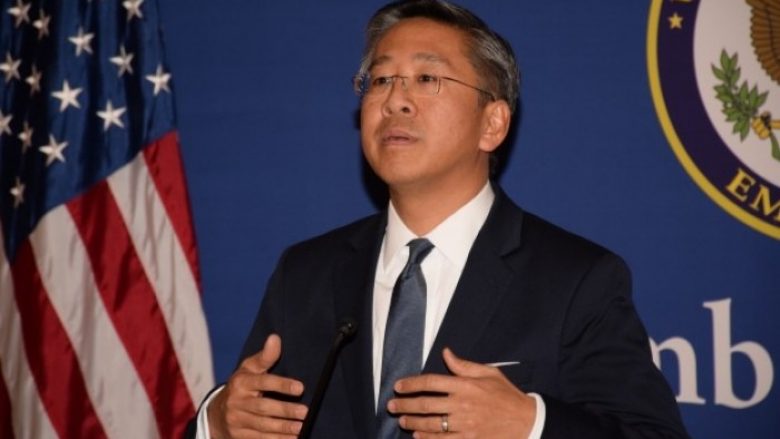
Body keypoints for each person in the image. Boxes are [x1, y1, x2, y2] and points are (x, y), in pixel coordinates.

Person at [188, 1, 690, 438]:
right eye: (381, 79)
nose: (395, 100)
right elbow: (248, 410)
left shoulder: (576, 279)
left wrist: (530, 424)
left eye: (427, 79)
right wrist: (219, 422)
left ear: (492, 123)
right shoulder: (305, 274)